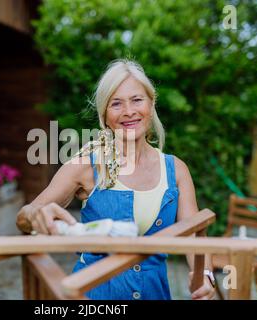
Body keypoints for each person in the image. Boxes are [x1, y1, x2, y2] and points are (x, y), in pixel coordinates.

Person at [16, 59, 215, 300]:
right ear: (105, 115)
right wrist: (34, 216)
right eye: (116, 103)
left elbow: (193, 234)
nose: (129, 111)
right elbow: (27, 215)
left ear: (151, 105)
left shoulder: (176, 169)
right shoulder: (86, 165)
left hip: (155, 292)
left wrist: (204, 275)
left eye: (137, 100)